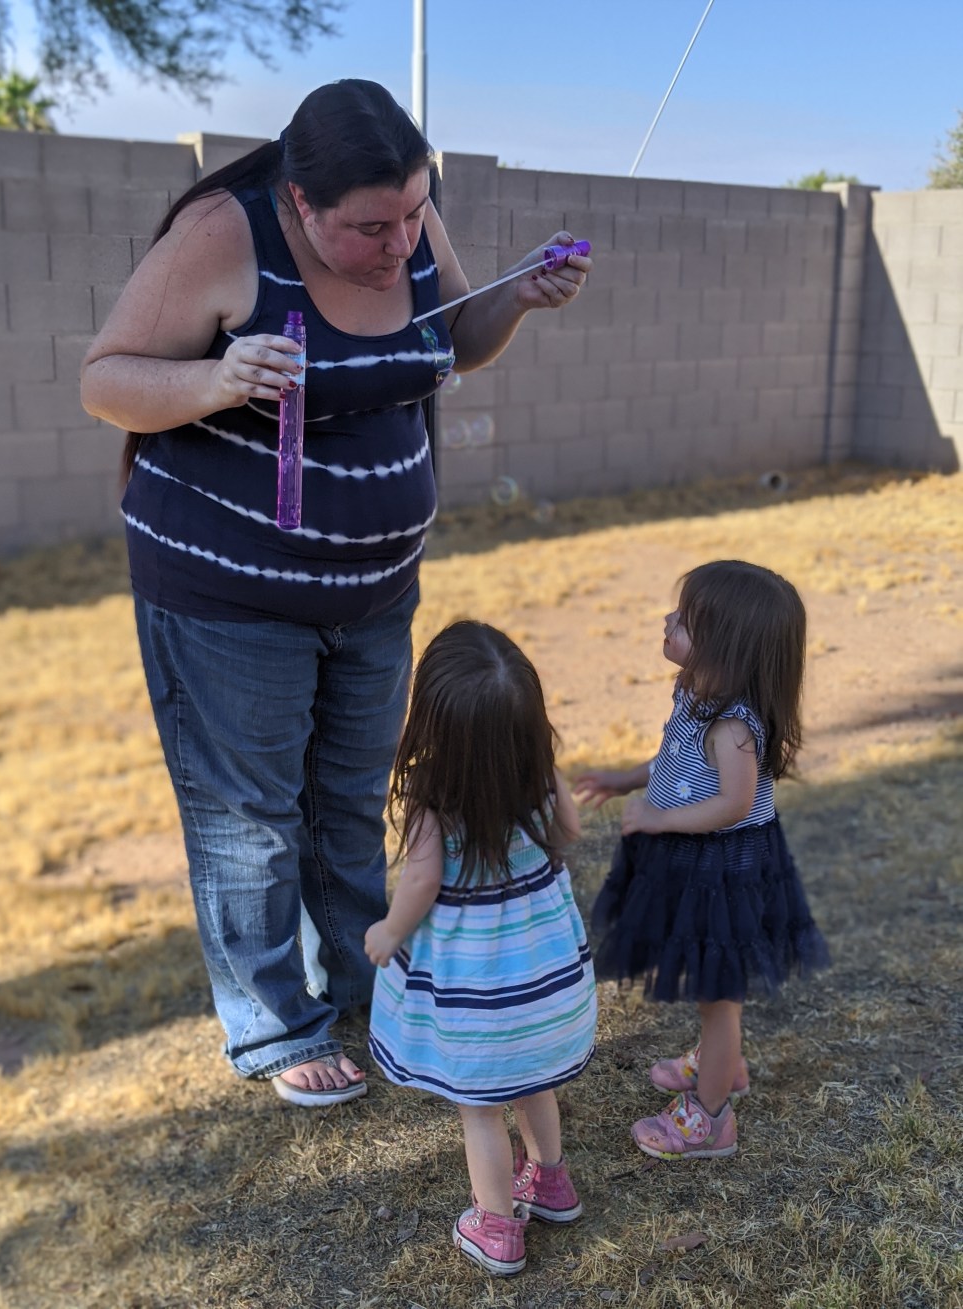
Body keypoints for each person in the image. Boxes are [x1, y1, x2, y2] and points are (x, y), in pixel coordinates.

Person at [79, 79, 591, 1107]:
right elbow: (107, 379)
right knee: (250, 818)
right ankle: (274, 1026)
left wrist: (517, 300)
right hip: (228, 593)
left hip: (373, 589)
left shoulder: (405, 211)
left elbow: (453, 338)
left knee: (352, 802)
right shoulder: (225, 234)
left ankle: (366, 977)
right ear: (301, 203)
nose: (400, 240)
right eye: (371, 227)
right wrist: (219, 380)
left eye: (413, 214)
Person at [574, 560, 829, 1160]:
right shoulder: (696, 695)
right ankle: (723, 1062)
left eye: (684, 621)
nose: (667, 621)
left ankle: (711, 1119)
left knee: (720, 995)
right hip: (695, 864)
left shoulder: (734, 726)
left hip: (722, 869)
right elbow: (672, 760)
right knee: (711, 984)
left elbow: (734, 803)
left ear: (725, 648)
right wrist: (623, 779)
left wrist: (657, 818)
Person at [364, 621, 597, 1277]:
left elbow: (420, 880)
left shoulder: (432, 799)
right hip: (546, 990)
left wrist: (388, 932)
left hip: (480, 1006)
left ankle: (496, 1228)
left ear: (431, 719)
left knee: (481, 1112)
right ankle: (551, 1182)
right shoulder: (536, 778)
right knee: (534, 1084)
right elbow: (572, 829)